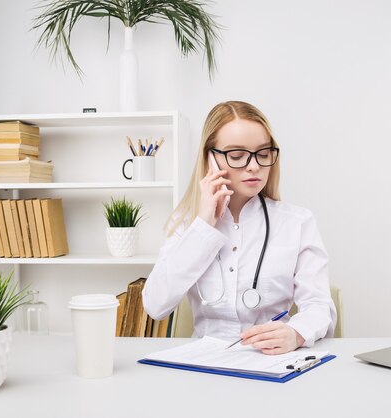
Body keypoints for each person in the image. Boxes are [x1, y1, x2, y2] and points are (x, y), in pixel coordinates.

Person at [142, 101, 336, 354]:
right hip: (204, 365)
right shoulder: (187, 224)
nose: (254, 165)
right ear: (210, 158)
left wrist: (295, 333)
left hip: (271, 362)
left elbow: (319, 306)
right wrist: (204, 225)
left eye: (263, 153)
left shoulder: (297, 222)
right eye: (236, 156)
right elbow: (155, 306)